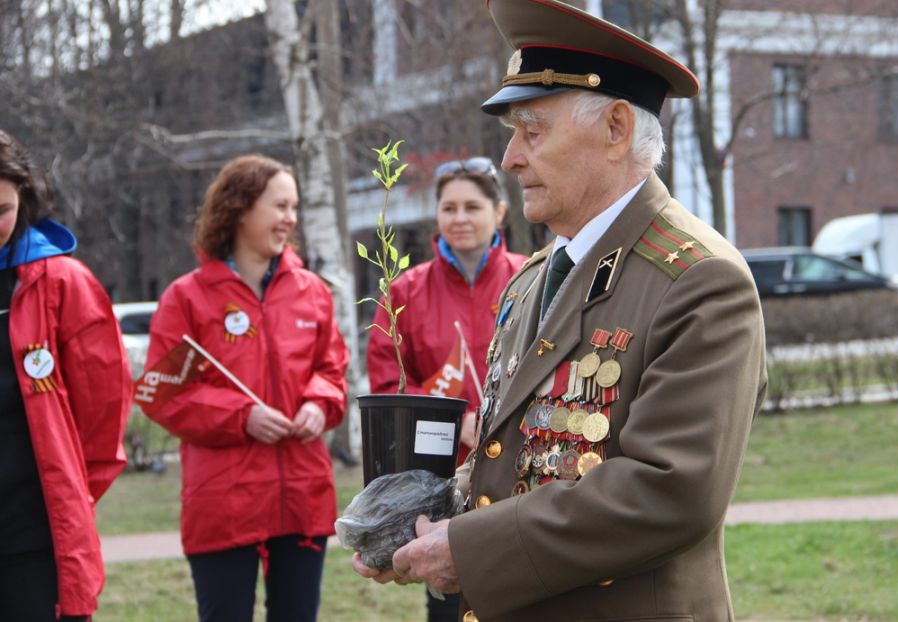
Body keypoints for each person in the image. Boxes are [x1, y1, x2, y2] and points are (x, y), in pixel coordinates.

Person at [352, 2, 768, 621]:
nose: (510, 159)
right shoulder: (531, 279)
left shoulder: (699, 279)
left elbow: (670, 491)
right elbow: (511, 456)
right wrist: (424, 520)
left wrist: (468, 550)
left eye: (533, 130)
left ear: (616, 128)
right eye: (513, 134)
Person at [145, 154, 349, 622]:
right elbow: (163, 393)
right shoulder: (187, 298)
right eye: (280, 206)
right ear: (239, 209)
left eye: (294, 207)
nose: (290, 219)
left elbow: (332, 369)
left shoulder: (312, 292)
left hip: (302, 496)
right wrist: (241, 417)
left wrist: (320, 403)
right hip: (223, 503)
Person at [366, 156, 526, 621]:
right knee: (449, 602)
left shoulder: (529, 277)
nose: (459, 218)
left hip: (517, 475)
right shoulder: (404, 292)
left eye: (472, 207)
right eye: (449, 208)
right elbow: (387, 383)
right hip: (443, 483)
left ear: (498, 213)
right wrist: (454, 422)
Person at [0, 129, 131, 621]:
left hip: (33, 541)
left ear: (25, 199)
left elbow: (104, 414)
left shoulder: (63, 283)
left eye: (1, 211)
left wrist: (67, 493)